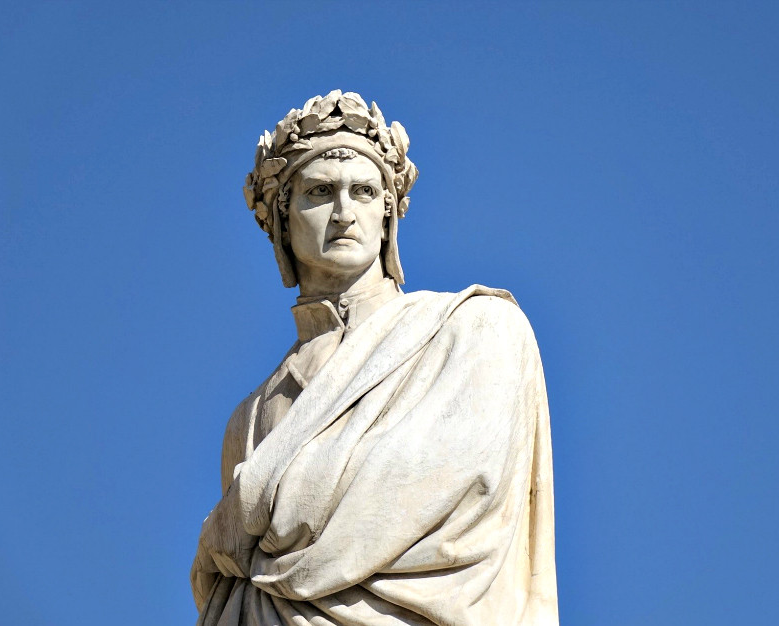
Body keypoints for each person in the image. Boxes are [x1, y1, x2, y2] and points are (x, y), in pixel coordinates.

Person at [190, 90, 559, 625]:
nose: (344, 214)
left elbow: (437, 488)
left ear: (388, 215)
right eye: (320, 192)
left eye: (364, 192)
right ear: (281, 218)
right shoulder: (247, 420)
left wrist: (249, 512)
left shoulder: (474, 329)